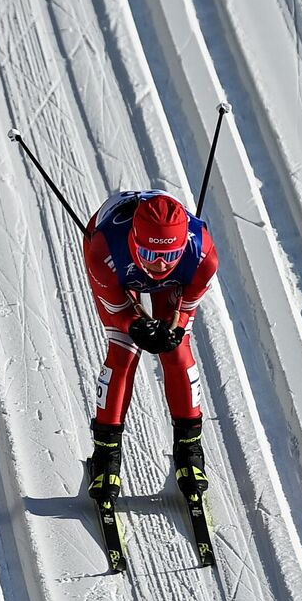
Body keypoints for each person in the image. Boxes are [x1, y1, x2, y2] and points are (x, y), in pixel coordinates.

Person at [81, 189, 218, 504]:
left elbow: (185, 312)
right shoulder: (104, 251)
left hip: (167, 274)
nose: (158, 265)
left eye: (169, 256)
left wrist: (176, 326)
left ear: (182, 246)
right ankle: (106, 457)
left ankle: (189, 451)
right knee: (124, 350)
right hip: (121, 266)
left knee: (177, 348)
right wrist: (135, 324)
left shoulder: (203, 256)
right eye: (150, 254)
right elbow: (117, 311)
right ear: (134, 242)